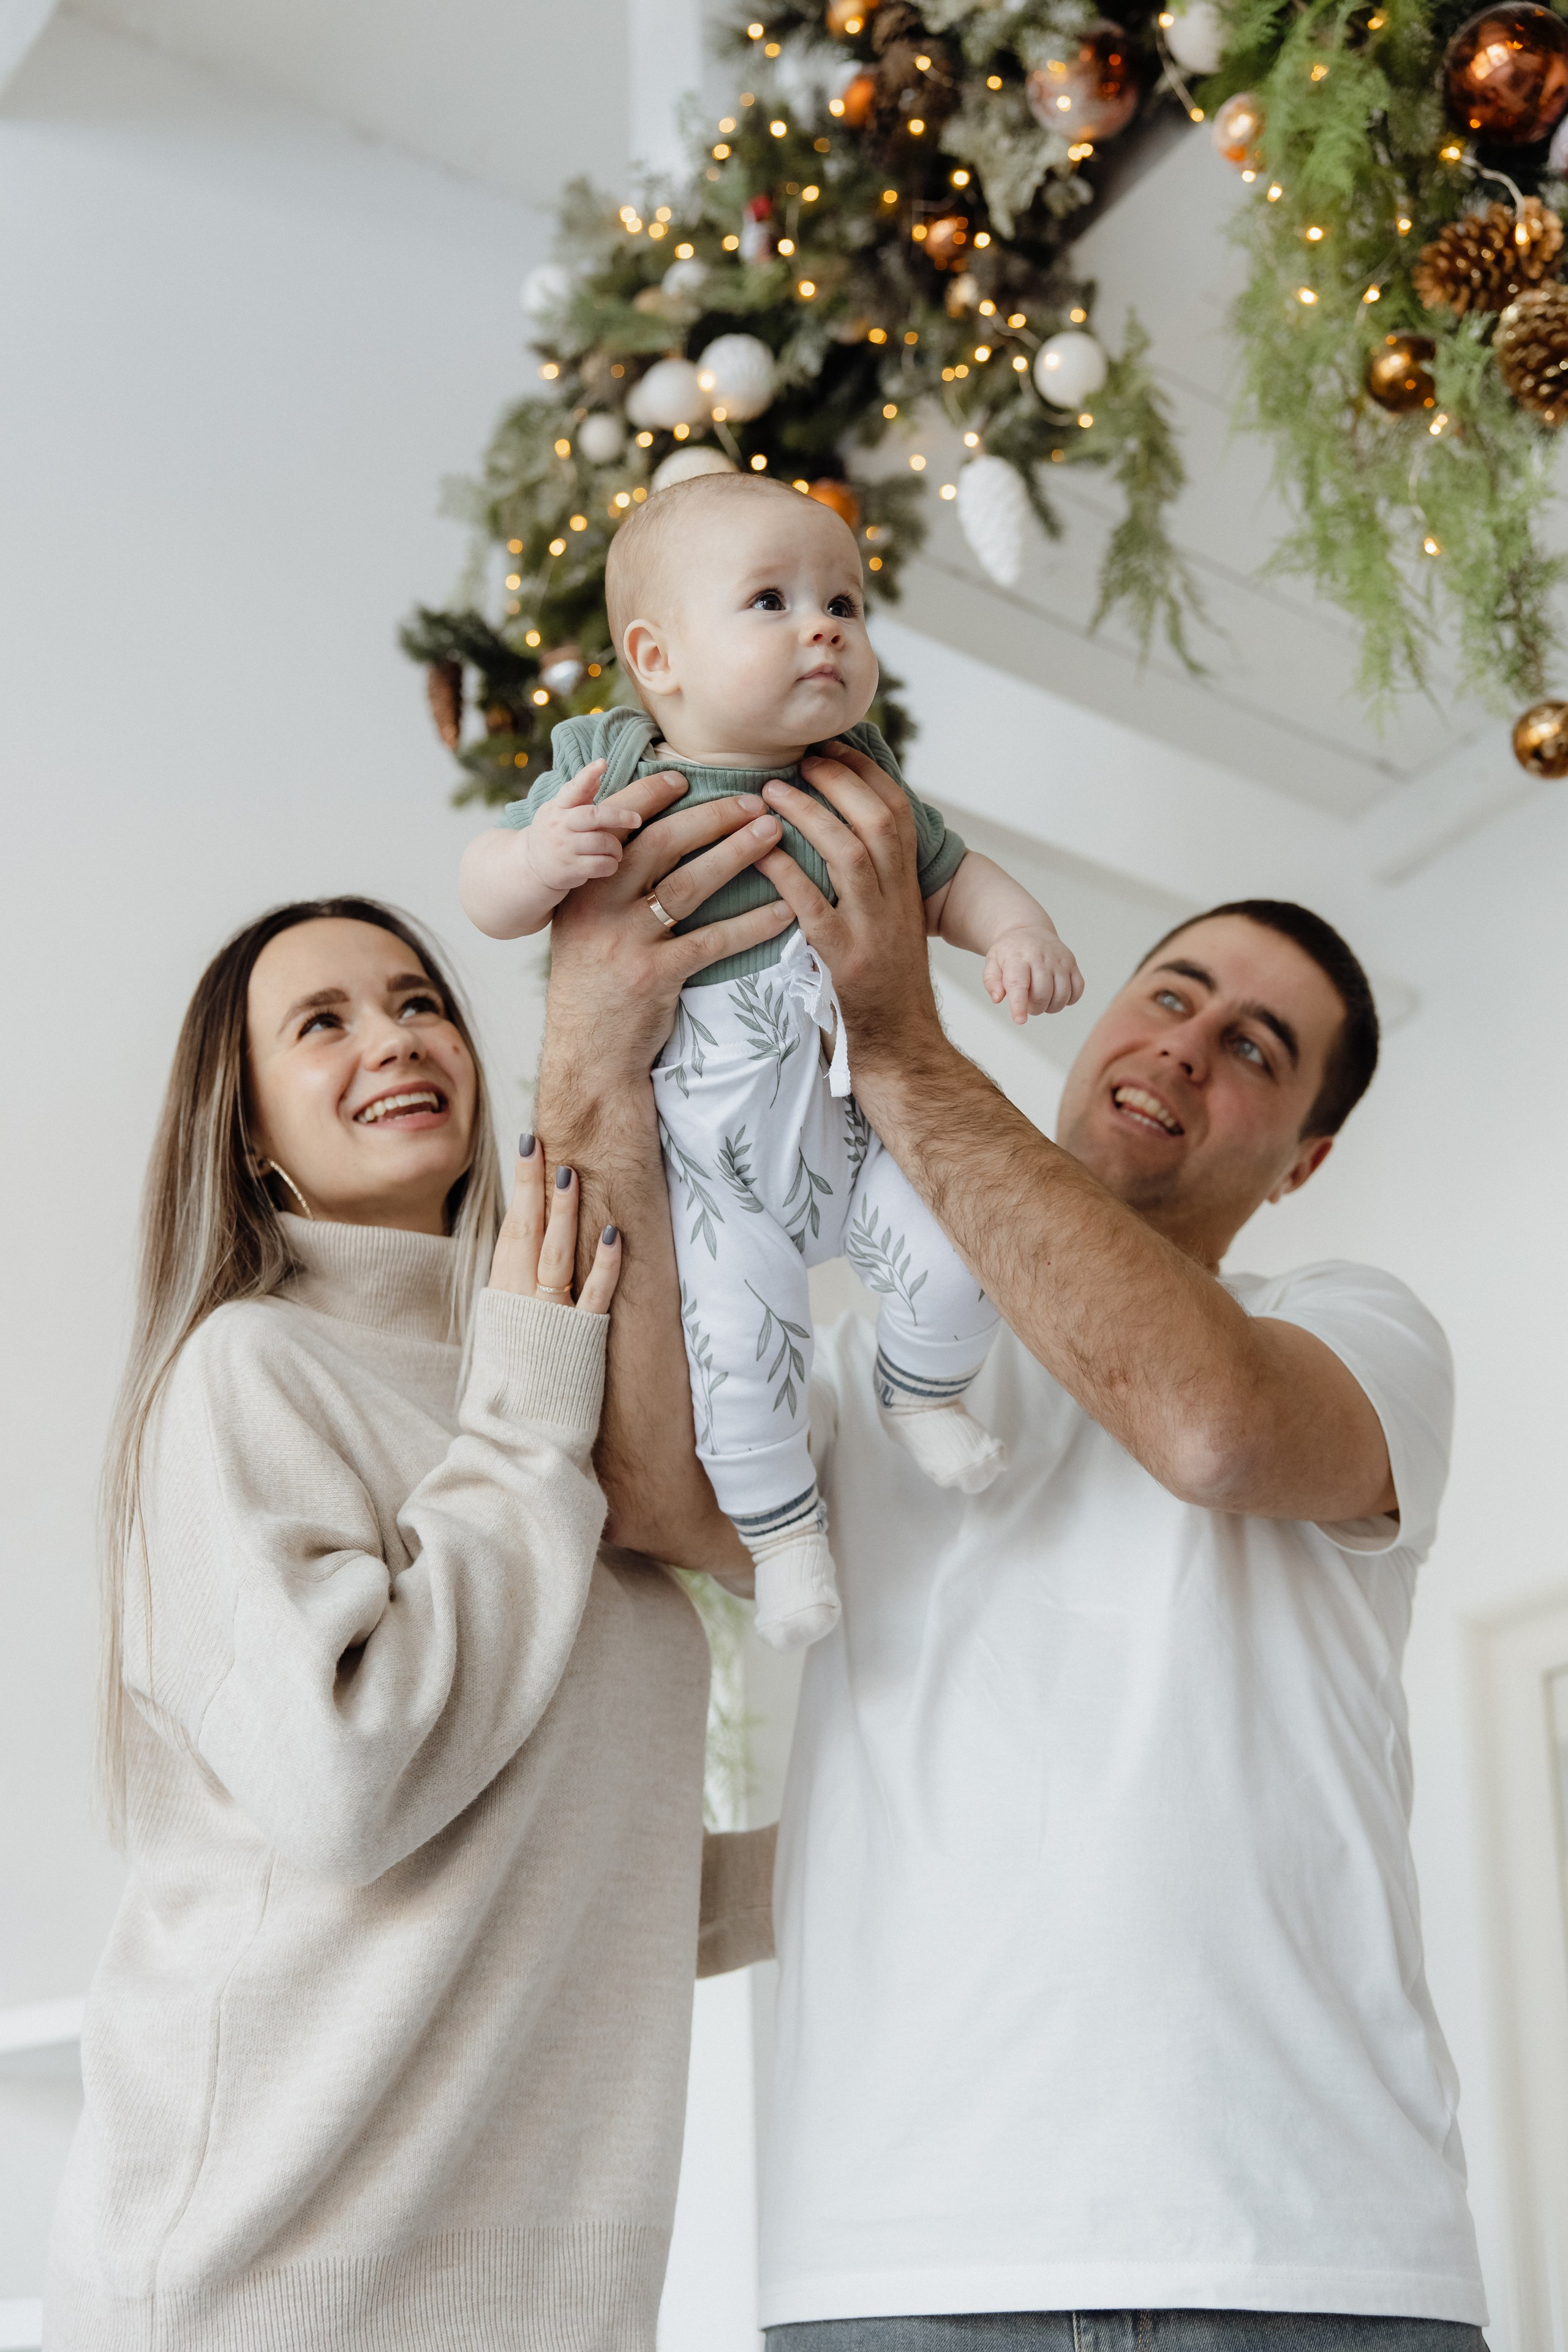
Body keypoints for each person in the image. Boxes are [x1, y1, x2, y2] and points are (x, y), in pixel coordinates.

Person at [530, 746, 1488, 2350]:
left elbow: (1209, 1430)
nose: (1183, 1049)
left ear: (1304, 1158)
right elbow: (638, 1486)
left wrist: (898, 1047)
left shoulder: (1354, 1333)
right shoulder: (852, 1379)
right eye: (1169, 994)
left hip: (1303, 2256)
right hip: (896, 2263)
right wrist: (590, 1045)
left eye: (1253, 1048)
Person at [48, 886, 775, 2352]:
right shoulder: (251, 1373)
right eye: (321, 1023)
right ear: (246, 1126)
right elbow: (347, 1784)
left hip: (549, 2307)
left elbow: (572, 1857)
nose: (393, 1038)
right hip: (264, 2287)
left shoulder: (573, 1398)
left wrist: (880, 1849)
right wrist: (525, 1414)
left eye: (419, 1001)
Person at [460, 471, 1081, 1651]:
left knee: (961, 1261)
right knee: (741, 1359)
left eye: (846, 602)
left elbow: (953, 879)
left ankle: (920, 1388)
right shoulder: (615, 774)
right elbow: (484, 889)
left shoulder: (860, 778)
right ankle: (789, 1541)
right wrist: (543, 857)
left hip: (864, 1129)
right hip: (716, 1169)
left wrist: (1018, 932)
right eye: (773, 601)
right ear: (659, 657)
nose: (827, 627)